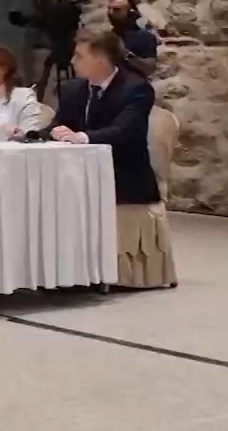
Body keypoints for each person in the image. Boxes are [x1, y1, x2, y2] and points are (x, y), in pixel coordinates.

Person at [50, 31, 173, 287]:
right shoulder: (74, 89)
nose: (72, 61)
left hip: (123, 173)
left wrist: (82, 137)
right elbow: (59, 124)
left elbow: (123, 132)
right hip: (77, 174)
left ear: (101, 60)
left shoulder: (136, 89)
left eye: (79, 56)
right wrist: (40, 132)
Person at [108, 0, 159, 79]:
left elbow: (149, 69)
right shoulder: (107, 36)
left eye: (116, 9)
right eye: (109, 9)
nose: (111, 13)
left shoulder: (144, 36)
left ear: (130, 13)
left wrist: (126, 54)